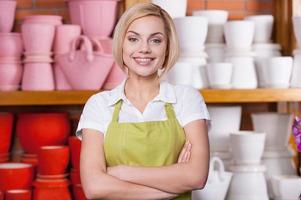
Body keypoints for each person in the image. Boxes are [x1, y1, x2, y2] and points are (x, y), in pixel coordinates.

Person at [76, 3, 210, 199]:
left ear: (167, 48)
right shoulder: (99, 105)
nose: (144, 49)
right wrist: (173, 185)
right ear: (121, 44)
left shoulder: (186, 99)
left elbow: (196, 176)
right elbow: (94, 187)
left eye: (155, 40)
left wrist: (122, 172)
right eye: (133, 39)